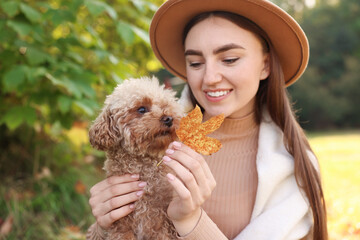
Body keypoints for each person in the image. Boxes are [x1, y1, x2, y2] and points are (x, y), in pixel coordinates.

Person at [86, 0, 328, 239]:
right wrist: (105, 224)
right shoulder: (153, 144)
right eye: (196, 63)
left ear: (265, 65)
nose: (210, 77)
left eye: (229, 59)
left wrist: (190, 221)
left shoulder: (293, 169)